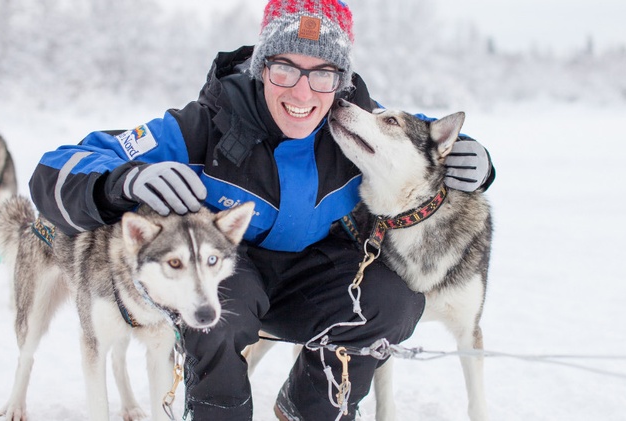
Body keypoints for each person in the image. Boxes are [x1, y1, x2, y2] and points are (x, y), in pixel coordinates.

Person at [29, 0, 494, 419]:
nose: (303, 93)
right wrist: (120, 181)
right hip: (231, 268)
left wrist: (473, 156)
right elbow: (56, 168)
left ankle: (308, 407)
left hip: (316, 271)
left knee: (393, 302)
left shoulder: (352, 121)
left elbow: (419, 136)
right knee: (216, 312)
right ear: (260, 67)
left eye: (323, 74)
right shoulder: (204, 124)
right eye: (284, 69)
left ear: (340, 81)